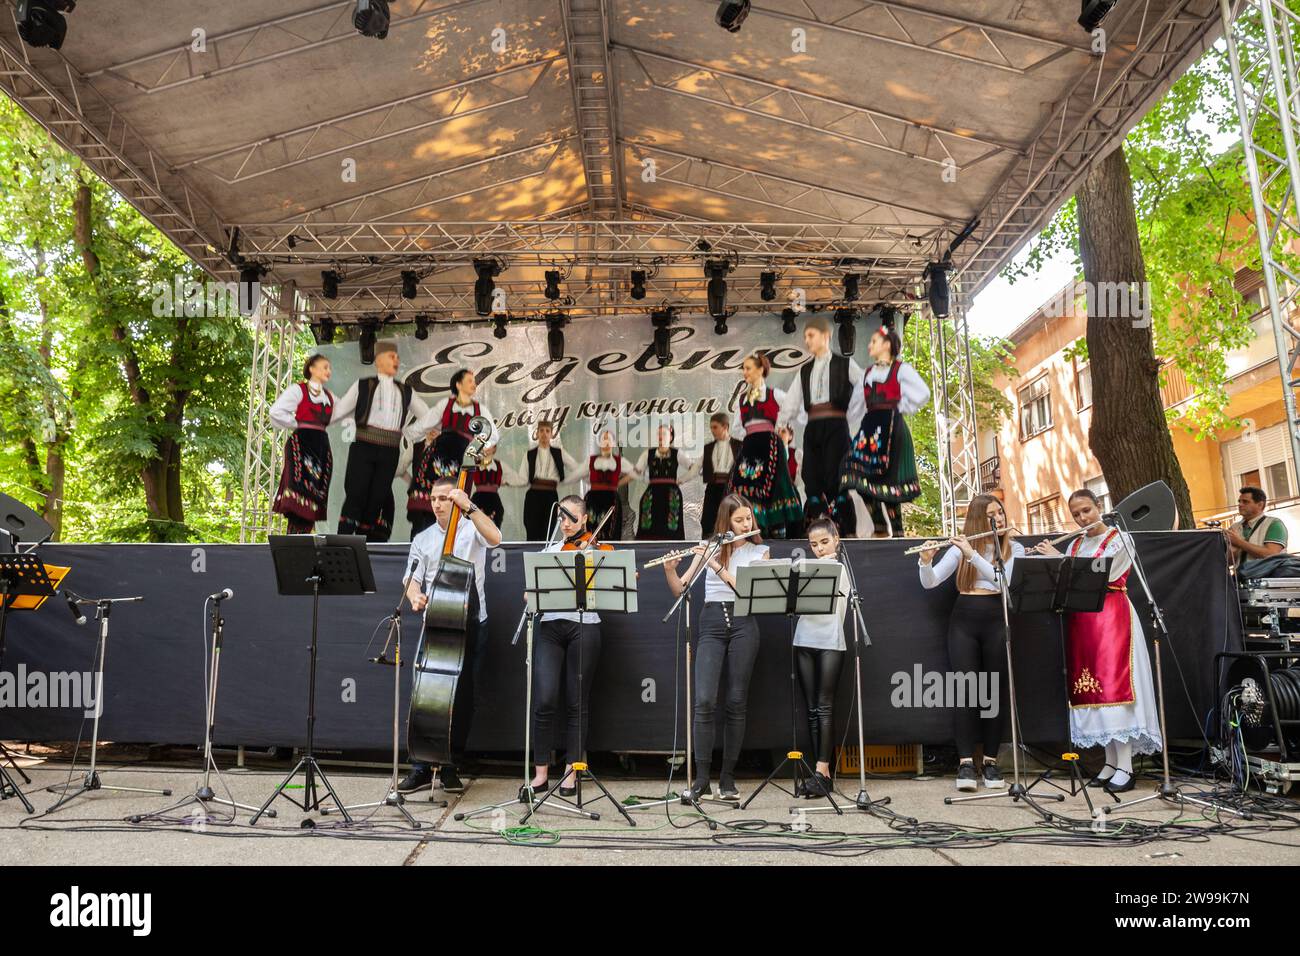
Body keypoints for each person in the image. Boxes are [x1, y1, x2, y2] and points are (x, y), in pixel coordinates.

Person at [1031, 488, 1163, 793]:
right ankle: (1109, 762)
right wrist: (1054, 563)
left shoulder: (1120, 539)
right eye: (1076, 515)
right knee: (1092, 690)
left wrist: (1059, 558)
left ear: (1099, 507)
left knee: (1115, 689)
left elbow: (1098, 577)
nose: (1082, 519)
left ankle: (1126, 766)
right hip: (1083, 622)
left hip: (1112, 618)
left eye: (1087, 511)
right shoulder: (1077, 543)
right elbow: (1067, 583)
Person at [397, 476, 503, 795]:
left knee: (461, 697)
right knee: (426, 696)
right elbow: (411, 578)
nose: (437, 503)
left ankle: (450, 765)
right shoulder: (424, 538)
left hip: (471, 621)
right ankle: (419, 765)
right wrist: (415, 596)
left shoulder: (472, 529)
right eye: (434, 498)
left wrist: (468, 507)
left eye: (444, 497)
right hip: (437, 622)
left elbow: (496, 538)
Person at [662, 493, 770, 801]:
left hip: (743, 624)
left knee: (736, 701)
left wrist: (718, 567)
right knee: (705, 700)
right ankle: (701, 779)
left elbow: (747, 590)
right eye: (738, 520)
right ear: (725, 521)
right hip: (710, 622)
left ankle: (728, 778)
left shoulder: (759, 551)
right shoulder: (709, 547)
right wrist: (670, 570)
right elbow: (680, 590)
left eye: (748, 518)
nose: (745, 524)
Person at [918, 493, 1022, 793]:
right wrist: (925, 563)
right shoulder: (962, 547)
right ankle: (965, 763)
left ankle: (990, 762)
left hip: (996, 620)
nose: (999, 519)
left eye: (1001, 512)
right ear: (978, 519)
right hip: (964, 621)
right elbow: (931, 581)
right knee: (965, 692)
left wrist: (973, 555)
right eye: (992, 514)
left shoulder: (1015, 549)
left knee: (993, 693)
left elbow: (1003, 583)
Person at [523, 496, 604, 800]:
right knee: (544, 699)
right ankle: (541, 772)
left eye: (572, 517)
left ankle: (573, 770)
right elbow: (530, 594)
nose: (566, 523)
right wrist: (530, 594)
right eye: (562, 518)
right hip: (551, 628)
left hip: (585, 626)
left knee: (576, 701)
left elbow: (615, 582)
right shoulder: (550, 551)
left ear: (585, 520)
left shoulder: (595, 550)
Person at [332, 341, 431, 542]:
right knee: (355, 495)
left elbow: (428, 416)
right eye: (391, 356)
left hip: (390, 451)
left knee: (377, 499)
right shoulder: (362, 385)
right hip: (363, 447)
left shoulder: (406, 391)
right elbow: (339, 411)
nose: (396, 360)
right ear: (378, 360)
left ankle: (364, 546)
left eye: (397, 356)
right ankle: (341, 543)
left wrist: (415, 432)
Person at [838, 320, 928, 538]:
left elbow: (922, 394)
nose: (870, 346)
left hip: (892, 429)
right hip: (870, 429)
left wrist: (899, 408)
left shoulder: (901, 369)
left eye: (874, 341)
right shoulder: (867, 374)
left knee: (889, 481)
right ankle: (879, 525)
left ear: (887, 344)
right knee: (852, 473)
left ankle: (897, 531)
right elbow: (855, 407)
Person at [777, 315, 865, 526]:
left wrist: (852, 411)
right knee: (811, 472)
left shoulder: (845, 363)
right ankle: (819, 520)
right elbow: (791, 400)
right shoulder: (805, 370)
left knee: (836, 474)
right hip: (813, 426)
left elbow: (864, 385)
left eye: (811, 335)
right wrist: (780, 424)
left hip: (836, 425)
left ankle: (844, 525)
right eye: (805, 336)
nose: (807, 341)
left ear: (826, 336)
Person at [405, 368, 498, 536]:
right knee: (427, 512)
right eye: (470, 380)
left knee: (455, 510)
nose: (474, 384)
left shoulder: (480, 410)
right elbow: (423, 425)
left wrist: (476, 448)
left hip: (462, 460)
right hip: (437, 458)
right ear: (458, 384)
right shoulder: (445, 405)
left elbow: (492, 436)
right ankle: (420, 549)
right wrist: (405, 436)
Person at [794, 517, 849, 798]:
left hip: (830, 640)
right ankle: (820, 773)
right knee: (812, 709)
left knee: (825, 706)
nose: (819, 548)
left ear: (836, 539)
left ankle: (822, 769)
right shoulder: (805, 567)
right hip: (803, 638)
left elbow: (838, 608)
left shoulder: (840, 568)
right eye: (813, 545)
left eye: (824, 542)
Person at [728, 353, 804, 539]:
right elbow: (736, 428)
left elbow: (795, 411)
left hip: (771, 446)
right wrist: (751, 434)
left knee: (774, 488)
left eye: (748, 368)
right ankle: (751, 530)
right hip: (750, 447)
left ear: (760, 369)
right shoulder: (742, 400)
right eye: (743, 368)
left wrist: (780, 429)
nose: (744, 372)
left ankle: (777, 532)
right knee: (743, 484)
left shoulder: (775, 394)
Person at [270, 354, 334, 533]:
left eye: (329, 367)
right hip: (302, 444)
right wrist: (298, 424)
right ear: (312, 369)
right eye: (324, 366)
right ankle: (293, 544)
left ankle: (301, 542)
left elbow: (344, 412)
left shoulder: (329, 396)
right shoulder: (298, 390)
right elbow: (276, 412)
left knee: (314, 502)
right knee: (300, 500)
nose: (328, 371)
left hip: (321, 449)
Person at [632, 424, 699, 540]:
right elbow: (637, 471)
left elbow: (694, 468)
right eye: (658, 434)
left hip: (671, 494)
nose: (660, 437)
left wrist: (682, 479)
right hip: (652, 494)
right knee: (649, 524)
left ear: (671, 437)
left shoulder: (677, 453)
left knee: (671, 526)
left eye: (664, 434)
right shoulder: (648, 453)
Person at [519, 420, 582, 541]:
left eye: (547, 431)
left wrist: (568, 480)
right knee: (532, 529)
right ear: (537, 433)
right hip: (533, 496)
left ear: (552, 434)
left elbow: (576, 468)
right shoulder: (530, 454)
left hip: (550, 495)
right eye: (541, 430)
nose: (544, 434)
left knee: (548, 529)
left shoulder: (559, 452)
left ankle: (545, 555)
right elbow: (522, 477)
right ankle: (532, 557)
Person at [700, 412, 741, 538]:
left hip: (731, 490)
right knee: (708, 522)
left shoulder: (739, 445)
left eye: (715, 427)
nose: (712, 430)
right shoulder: (709, 448)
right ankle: (708, 551)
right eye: (711, 427)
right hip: (713, 488)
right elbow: (697, 466)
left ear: (725, 426)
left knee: (732, 520)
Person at [1226, 485, 1289, 566]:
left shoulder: (1274, 524)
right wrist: (1233, 551)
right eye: (1239, 501)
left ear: (1260, 505)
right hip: (1241, 577)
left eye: (1245, 502)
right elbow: (1228, 563)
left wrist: (1239, 543)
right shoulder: (1234, 527)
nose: (1240, 505)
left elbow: (1271, 554)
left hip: (1268, 576)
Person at [585, 427, 629, 538]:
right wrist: (591, 482)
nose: (606, 442)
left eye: (609, 439)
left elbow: (634, 472)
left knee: (610, 529)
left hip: (610, 497)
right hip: (593, 497)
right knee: (590, 526)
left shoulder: (618, 461)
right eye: (604, 439)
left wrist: (618, 483)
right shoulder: (592, 460)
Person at [468, 444, 518, 530]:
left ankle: (493, 538)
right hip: (478, 497)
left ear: (494, 448)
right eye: (484, 445)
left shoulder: (499, 464)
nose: (486, 448)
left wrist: (505, 482)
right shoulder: (475, 463)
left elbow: (517, 478)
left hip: (493, 497)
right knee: (471, 517)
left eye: (489, 445)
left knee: (498, 514)